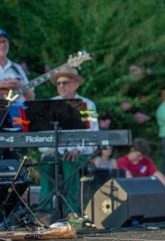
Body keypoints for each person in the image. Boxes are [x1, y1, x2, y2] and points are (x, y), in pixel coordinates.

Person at [38, 66, 98, 214]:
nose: (61, 86)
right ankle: (44, 212)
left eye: (65, 82)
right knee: (45, 163)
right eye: (58, 83)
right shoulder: (50, 104)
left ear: (75, 84)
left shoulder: (87, 104)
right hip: (55, 152)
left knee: (69, 161)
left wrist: (78, 149)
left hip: (79, 153)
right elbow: (42, 134)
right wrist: (48, 149)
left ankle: (72, 212)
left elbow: (93, 134)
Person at [0, 29, 34, 101]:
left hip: (15, 111)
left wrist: (20, 86)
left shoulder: (17, 68)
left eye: (4, 41)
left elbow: (31, 98)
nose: (2, 44)